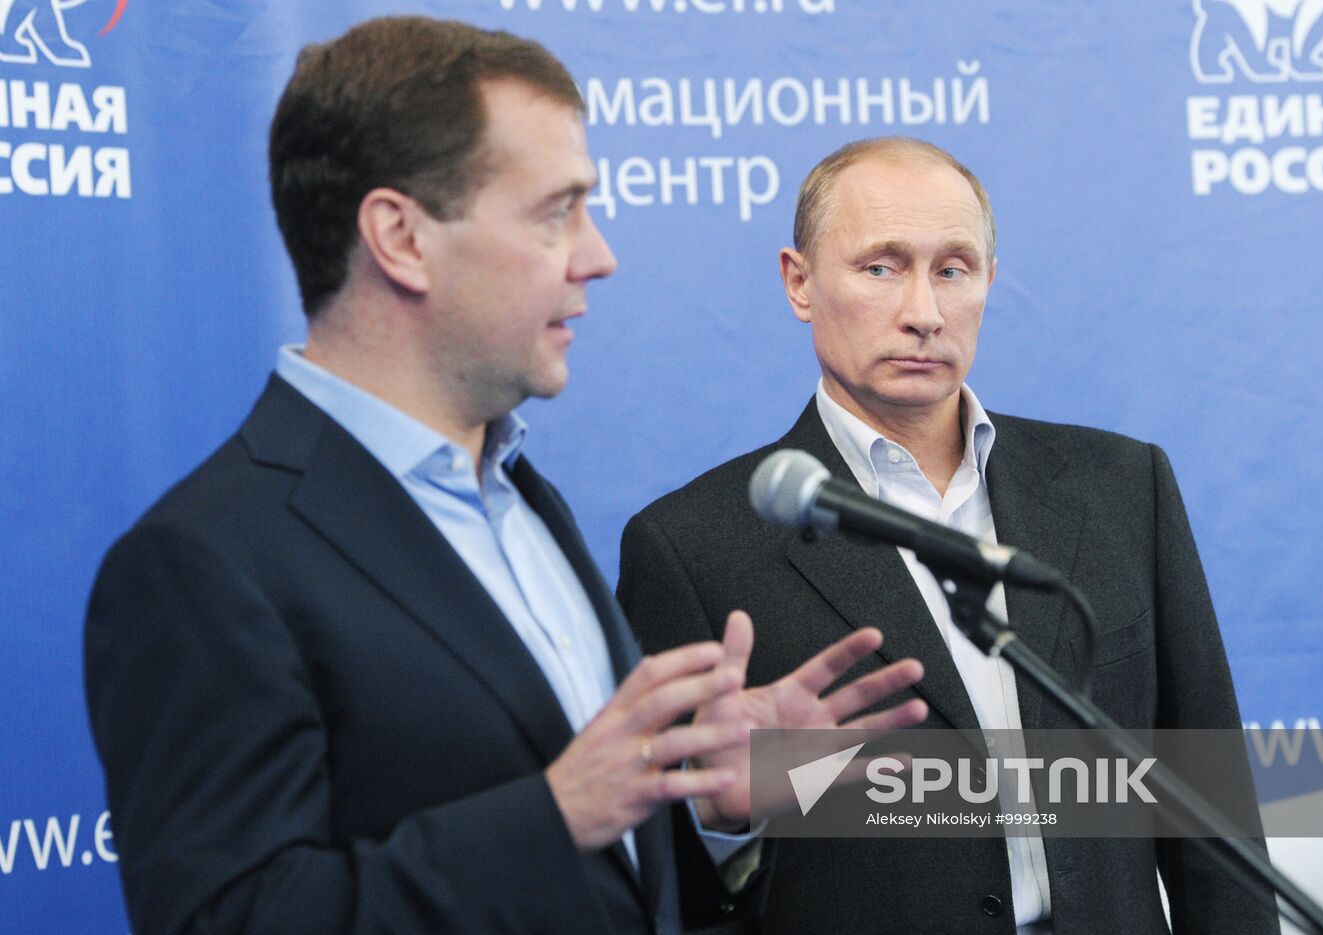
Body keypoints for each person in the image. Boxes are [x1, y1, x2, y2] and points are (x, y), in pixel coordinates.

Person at [83, 21, 929, 935]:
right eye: (555, 211)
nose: (598, 254)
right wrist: (557, 812)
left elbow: (616, 879)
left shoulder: (524, 501)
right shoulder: (203, 561)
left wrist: (705, 796)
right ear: (400, 237)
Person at [617, 137, 1281, 934]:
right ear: (799, 282)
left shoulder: (1123, 487)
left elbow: (1214, 821)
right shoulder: (690, 547)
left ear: (989, 281)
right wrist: (729, 820)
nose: (924, 313)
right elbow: (672, 877)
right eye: (881, 267)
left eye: (953, 269)